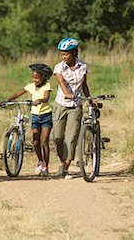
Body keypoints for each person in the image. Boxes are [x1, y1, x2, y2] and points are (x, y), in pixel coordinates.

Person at [0, 63, 53, 176]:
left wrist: (40, 100)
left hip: (46, 115)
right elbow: (18, 93)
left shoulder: (46, 86)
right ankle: (40, 161)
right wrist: (6, 100)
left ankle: (46, 166)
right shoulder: (30, 86)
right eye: (33, 77)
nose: (34, 79)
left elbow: (46, 98)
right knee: (36, 141)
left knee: (44, 141)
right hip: (35, 117)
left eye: (37, 77)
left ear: (43, 77)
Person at [52, 37, 91, 180]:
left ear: (74, 53)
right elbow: (61, 82)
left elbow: (84, 85)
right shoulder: (59, 67)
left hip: (76, 106)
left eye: (66, 54)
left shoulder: (83, 67)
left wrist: (89, 99)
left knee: (71, 138)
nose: (63, 57)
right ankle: (62, 162)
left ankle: (65, 168)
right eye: (61, 54)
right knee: (57, 137)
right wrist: (68, 94)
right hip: (61, 104)